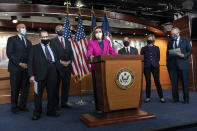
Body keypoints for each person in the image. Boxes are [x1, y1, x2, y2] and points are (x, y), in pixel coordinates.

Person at [28, 30, 60, 120]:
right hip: (39, 74)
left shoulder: (53, 47)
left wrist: (58, 71)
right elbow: (30, 62)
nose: (45, 38)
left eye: (46, 37)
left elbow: (56, 59)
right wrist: (31, 74)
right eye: (43, 37)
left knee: (52, 93)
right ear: (40, 38)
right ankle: (37, 112)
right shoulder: (34, 48)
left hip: (53, 72)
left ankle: (50, 111)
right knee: (38, 94)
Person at [87, 26, 118, 113]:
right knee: (98, 89)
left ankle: (108, 106)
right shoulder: (91, 42)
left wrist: (119, 56)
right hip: (96, 69)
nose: (98, 33)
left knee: (107, 88)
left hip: (107, 68)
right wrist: (90, 56)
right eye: (96, 32)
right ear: (94, 34)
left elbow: (112, 51)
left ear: (102, 32)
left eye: (99, 31)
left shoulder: (107, 42)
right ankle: (99, 108)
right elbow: (89, 51)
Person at [6, 23, 32, 114]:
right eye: (22, 27)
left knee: (25, 89)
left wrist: (29, 65)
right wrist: (20, 63)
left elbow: (30, 55)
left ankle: (23, 106)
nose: (24, 29)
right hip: (16, 68)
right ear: (18, 29)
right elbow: (10, 53)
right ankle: (14, 107)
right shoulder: (12, 39)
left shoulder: (28, 42)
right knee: (15, 88)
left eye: (25, 27)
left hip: (26, 69)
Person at [166, 27, 192, 104]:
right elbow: (167, 53)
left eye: (174, 34)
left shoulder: (185, 40)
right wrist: (168, 64)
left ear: (178, 33)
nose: (172, 35)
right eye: (171, 34)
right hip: (172, 66)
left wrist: (184, 55)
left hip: (183, 65)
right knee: (174, 84)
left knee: (185, 83)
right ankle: (175, 98)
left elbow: (190, 51)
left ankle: (186, 99)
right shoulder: (170, 42)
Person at [50, 25, 73, 109]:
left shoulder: (68, 41)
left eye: (62, 29)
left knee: (66, 86)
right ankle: (55, 104)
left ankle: (64, 102)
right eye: (59, 29)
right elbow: (52, 53)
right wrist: (60, 61)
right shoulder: (52, 41)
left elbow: (71, 53)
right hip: (57, 67)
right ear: (56, 31)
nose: (61, 30)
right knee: (56, 86)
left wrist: (69, 61)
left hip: (67, 67)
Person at [140, 34, 165, 103]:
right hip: (146, 67)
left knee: (157, 82)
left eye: (151, 39)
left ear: (153, 40)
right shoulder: (143, 48)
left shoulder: (157, 48)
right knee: (148, 82)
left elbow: (158, 57)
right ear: (147, 40)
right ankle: (148, 97)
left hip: (155, 67)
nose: (149, 40)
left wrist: (154, 63)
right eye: (148, 38)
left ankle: (161, 97)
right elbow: (142, 58)